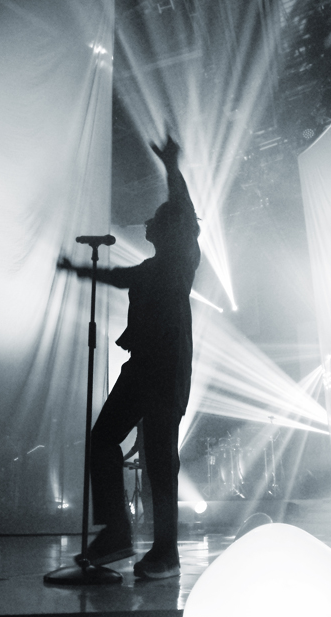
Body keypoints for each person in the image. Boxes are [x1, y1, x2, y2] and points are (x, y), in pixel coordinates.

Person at [58, 133, 200, 579]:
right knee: (103, 439)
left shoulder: (181, 257)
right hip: (141, 367)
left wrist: (171, 167)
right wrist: (76, 269)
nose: (147, 225)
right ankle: (116, 533)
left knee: (160, 460)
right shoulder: (150, 268)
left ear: (172, 228)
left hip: (165, 367)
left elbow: (182, 209)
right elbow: (119, 277)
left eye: (156, 219)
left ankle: (166, 554)